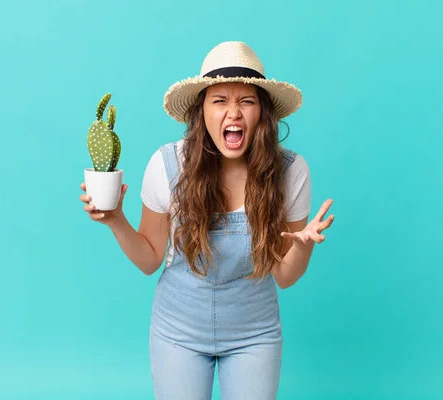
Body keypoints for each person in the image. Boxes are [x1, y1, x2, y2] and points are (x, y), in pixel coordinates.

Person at [80, 41, 335, 400]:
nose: (234, 113)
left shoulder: (290, 173)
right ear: (202, 112)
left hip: (254, 334)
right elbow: (150, 258)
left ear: (262, 112)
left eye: (246, 101)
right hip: (178, 332)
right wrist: (116, 220)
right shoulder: (168, 165)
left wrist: (303, 246)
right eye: (220, 101)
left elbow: (285, 276)